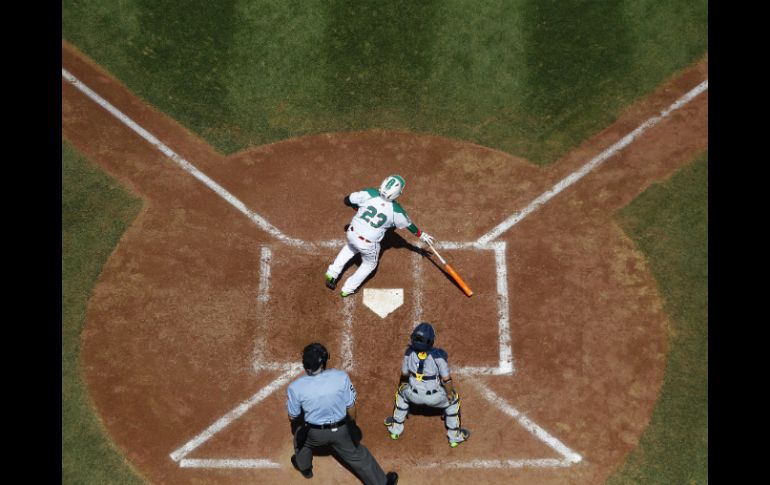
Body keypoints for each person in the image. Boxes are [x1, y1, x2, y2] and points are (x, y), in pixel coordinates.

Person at [287, 343, 399, 484]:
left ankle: (305, 468)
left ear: (305, 364)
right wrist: (351, 425)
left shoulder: (295, 387)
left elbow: (293, 416)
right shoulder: (340, 377)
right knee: (359, 455)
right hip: (340, 431)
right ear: (323, 361)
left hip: (314, 434)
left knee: (300, 438)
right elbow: (351, 407)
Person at [325, 174, 434, 297]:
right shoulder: (396, 211)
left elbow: (347, 200)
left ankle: (332, 273)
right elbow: (409, 226)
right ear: (397, 193)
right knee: (369, 265)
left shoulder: (369, 193)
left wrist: (358, 208)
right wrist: (421, 235)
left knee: (350, 248)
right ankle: (348, 289)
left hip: (352, 232)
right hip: (368, 244)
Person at [384, 322, 470, 447]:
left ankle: (395, 429)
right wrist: (450, 393)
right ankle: (454, 438)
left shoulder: (408, 353)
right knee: (454, 401)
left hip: (412, 395)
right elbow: (446, 379)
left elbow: (404, 374)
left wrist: (403, 387)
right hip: (434, 398)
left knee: (401, 395)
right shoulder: (438, 356)